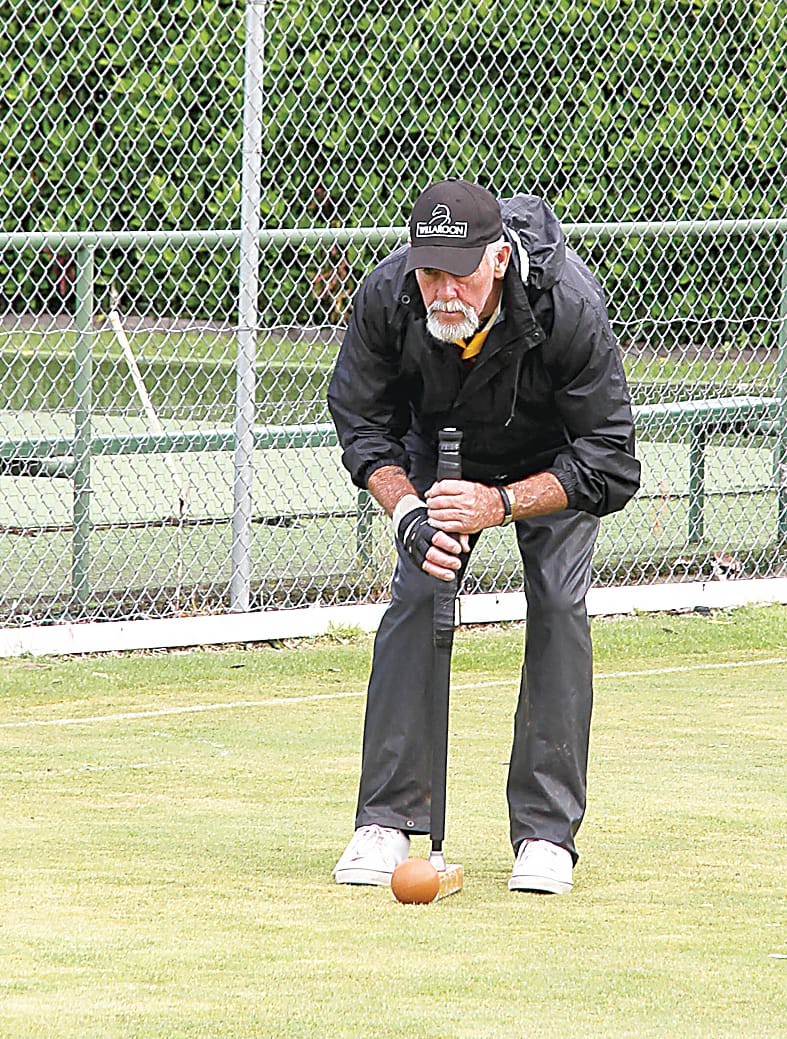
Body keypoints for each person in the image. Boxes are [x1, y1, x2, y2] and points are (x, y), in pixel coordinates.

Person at [327, 178, 640, 894]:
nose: (442, 290)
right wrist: (407, 513)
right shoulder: (388, 294)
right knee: (415, 595)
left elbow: (612, 460)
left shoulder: (569, 306)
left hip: (556, 459)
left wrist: (498, 504)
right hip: (437, 452)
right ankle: (383, 820)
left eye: (458, 273)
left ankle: (545, 834)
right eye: (429, 270)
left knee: (558, 606)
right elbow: (360, 419)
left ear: (497, 260)